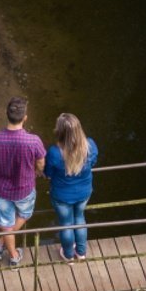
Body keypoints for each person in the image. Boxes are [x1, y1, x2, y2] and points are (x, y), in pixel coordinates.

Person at [0, 96, 46, 267]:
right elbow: (41, 163)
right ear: (25, 117)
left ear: (7, 115)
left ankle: (5, 249)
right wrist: (38, 171)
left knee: (6, 223)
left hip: (2, 190)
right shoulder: (33, 141)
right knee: (25, 215)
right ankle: (9, 253)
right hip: (25, 188)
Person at [44, 112, 98, 262]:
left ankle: (68, 255)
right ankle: (81, 252)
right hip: (84, 192)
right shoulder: (90, 146)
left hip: (62, 196)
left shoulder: (55, 153)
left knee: (66, 223)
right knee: (80, 219)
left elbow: (48, 173)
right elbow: (93, 162)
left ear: (59, 132)